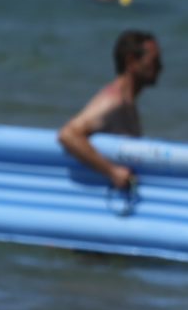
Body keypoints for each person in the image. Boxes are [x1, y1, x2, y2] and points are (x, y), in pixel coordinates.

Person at [58, 30, 162, 194]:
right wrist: (112, 171)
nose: (160, 67)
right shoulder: (113, 102)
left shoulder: (127, 103)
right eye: (154, 61)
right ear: (131, 61)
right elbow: (68, 135)